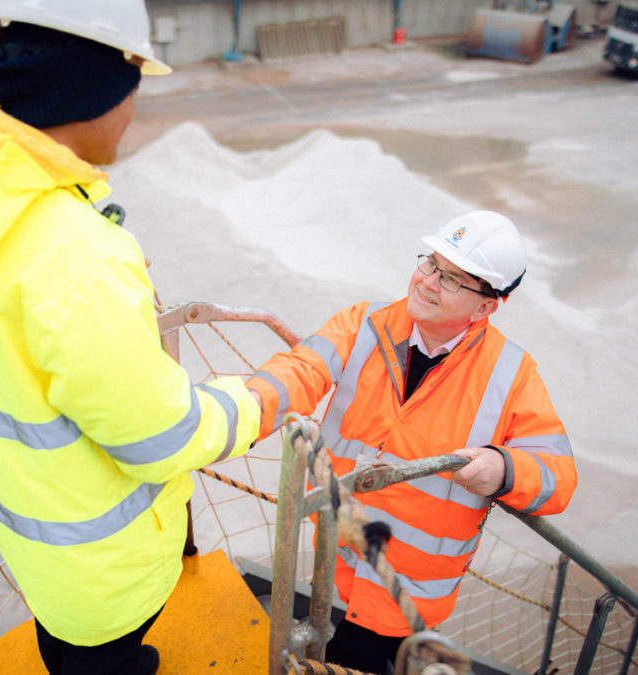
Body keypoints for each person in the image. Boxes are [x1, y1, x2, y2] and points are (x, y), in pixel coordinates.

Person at [0, 1, 262, 673]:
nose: (132, 112)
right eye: (130, 89)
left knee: (65, 635)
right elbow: (162, 436)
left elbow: (12, 311)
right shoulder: (73, 259)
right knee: (104, 650)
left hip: (29, 522)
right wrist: (259, 397)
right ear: (95, 91)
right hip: (106, 564)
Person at [247, 210, 577, 674]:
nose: (428, 282)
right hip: (335, 550)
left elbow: (558, 477)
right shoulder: (363, 325)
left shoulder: (510, 375)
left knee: (354, 658)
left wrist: (504, 468)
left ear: (486, 306)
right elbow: (301, 371)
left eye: (454, 279)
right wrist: (242, 409)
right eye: (430, 264)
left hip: (408, 580)